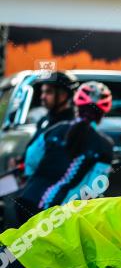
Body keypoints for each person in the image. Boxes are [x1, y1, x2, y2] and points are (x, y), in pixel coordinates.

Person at [15, 81, 114, 227]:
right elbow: (94, 188)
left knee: (20, 247)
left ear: (77, 106)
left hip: (27, 200)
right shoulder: (104, 145)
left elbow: (31, 160)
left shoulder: (56, 129)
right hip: (57, 214)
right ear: (103, 113)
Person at [29, 71, 79, 145]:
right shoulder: (44, 120)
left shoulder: (72, 124)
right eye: (42, 92)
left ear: (64, 95)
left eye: (48, 92)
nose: (43, 97)